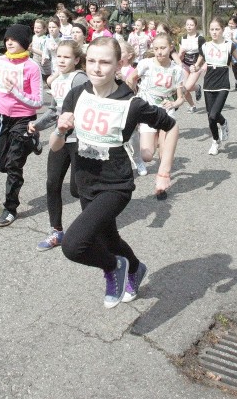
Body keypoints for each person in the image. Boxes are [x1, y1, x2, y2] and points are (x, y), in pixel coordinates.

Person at [52, 37, 179, 308]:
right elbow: (56, 146)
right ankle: (135, 267)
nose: (97, 68)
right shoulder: (76, 95)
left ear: (119, 64)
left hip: (115, 185)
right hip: (85, 182)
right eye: (92, 61)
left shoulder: (132, 103)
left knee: (74, 246)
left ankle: (114, 267)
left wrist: (164, 172)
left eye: (105, 62)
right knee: (109, 238)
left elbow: (170, 125)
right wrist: (60, 130)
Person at [0, 24, 44, 227]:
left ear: (25, 43)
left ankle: (10, 208)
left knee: (14, 165)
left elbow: (38, 101)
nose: (9, 42)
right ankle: (33, 143)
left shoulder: (32, 67)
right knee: (1, 165)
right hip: (2, 117)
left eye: (14, 39)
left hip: (24, 119)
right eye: (7, 39)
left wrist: (17, 93)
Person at [29, 40, 89, 251]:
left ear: (76, 60)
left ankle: (91, 227)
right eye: (59, 57)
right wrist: (37, 125)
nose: (61, 60)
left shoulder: (79, 78)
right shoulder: (56, 81)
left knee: (76, 189)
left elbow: (85, 108)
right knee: (52, 183)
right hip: (61, 138)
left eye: (66, 57)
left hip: (79, 140)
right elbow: (55, 110)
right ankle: (56, 231)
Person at [127, 33, 186, 175]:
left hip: (166, 112)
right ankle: (156, 138)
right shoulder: (146, 64)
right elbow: (131, 79)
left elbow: (181, 98)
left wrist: (173, 103)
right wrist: (134, 98)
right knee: (147, 156)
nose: (159, 51)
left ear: (171, 48)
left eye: (163, 48)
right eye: (156, 48)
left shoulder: (177, 70)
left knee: (164, 156)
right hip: (148, 111)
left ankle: (162, 183)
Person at [192, 17, 237, 155]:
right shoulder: (205, 46)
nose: (214, 32)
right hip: (208, 84)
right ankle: (215, 141)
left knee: (214, 115)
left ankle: (223, 123)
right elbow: (198, 63)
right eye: (212, 29)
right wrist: (194, 67)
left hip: (223, 84)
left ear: (223, 30)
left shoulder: (229, 45)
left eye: (217, 29)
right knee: (210, 117)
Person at [179, 17, 205, 112]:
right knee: (183, 88)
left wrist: (197, 65)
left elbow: (202, 54)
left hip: (196, 66)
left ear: (195, 26)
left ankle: (197, 87)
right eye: (187, 25)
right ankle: (192, 106)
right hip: (185, 65)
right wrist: (179, 56)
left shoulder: (200, 38)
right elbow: (180, 55)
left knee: (188, 87)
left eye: (191, 25)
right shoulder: (182, 38)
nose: (189, 27)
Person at [225, 16, 237, 90]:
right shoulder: (225, 29)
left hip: (234, 53)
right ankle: (226, 84)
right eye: (229, 23)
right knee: (224, 68)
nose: (230, 25)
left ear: (236, 24)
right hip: (225, 52)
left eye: (232, 23)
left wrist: (233, 39)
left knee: (234, 69)